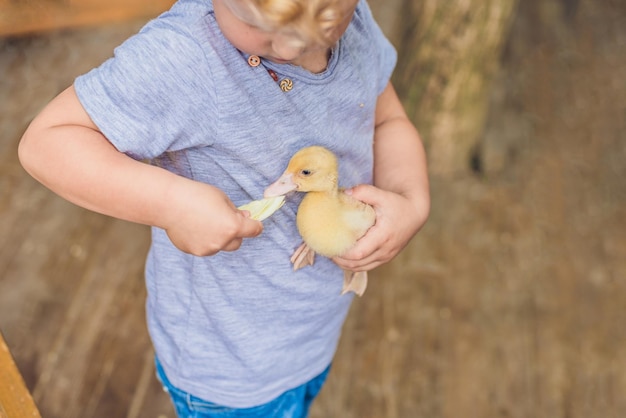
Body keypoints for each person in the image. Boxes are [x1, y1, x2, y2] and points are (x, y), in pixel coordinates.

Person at [18, 0, 430, 416]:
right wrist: (173, 204)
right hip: (227, 370)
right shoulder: (189, 56)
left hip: (313, 337)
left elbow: (387, 120)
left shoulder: (357, 23)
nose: (288, 49)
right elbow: (48, 143)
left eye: (322, 24)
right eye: (256, 22)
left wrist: (410, 201)